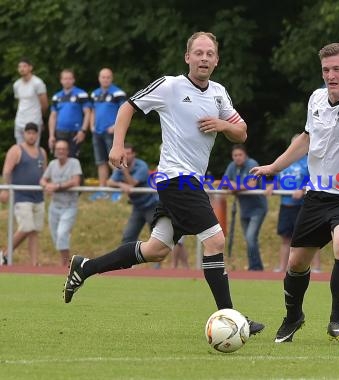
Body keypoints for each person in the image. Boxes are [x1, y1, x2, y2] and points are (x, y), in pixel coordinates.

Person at [62, 31, 264, 335]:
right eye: (198, 52)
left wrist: (224, 125)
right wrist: (117, 145)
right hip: (176, 179)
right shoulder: (170, 86)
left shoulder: (219, 93)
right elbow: (128, 106)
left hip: (191, 181)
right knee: (216, 241)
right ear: (188, 57)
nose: (204, 58)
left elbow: (242, 132)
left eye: (210, 53)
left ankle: (84, 267)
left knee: (155, 250)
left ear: (217, 60)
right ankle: (231, 316)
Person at [251, 42, 339, 342]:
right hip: (317, 195)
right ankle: (293, 317)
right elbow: (307, 139)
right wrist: (274, 167)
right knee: (296, 263)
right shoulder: (317, 98)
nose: (330, 75)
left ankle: (338, 320)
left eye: (336, 69)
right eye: (326, 70)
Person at [268, 136, 320, 273]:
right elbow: (278, 177)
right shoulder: (285, 162)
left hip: (303, 206)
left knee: (308, 238)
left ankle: (316, 267)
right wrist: (271, 186)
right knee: (285, 238)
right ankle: (282, 267)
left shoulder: (309, 162)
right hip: (286, 205)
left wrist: (302, 189)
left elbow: (316, 179)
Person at [0, 123, 47, 266]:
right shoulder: (16, 150)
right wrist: (5, 189)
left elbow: (45, 173)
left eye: (34, 133)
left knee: (34, 231)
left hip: (38, 197)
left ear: (37, 135)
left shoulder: (42, 152)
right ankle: (5, 254)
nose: (31, 135)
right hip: (21, 196)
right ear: (24, 134)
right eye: (29, 133)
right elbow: (7, 171)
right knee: (26, 227)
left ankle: (34, 263)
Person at [223, 144, 267, 271]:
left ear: (245, 155)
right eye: (235, 155)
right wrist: (238, 186)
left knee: (250, 237)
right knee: (249, 239)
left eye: (240, 155)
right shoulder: (232, 166)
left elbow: (252, 184)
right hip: (244, 209)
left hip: (258, 208)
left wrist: (234, 186)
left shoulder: (252, 164)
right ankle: (256, 266)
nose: (237, 158)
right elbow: (224, 183)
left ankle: (255, 267)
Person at [40, 140, 82, 266]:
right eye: (58, 149)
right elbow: (42, 180)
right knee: (56, 237)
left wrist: (57, 186)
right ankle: (66, 263)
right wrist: (47, 185)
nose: (61, 151)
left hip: (69, 206)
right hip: (55, 206)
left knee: (62, 233)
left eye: (63, 149)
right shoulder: (52, 164)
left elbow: (75, 181)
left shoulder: (74, 163)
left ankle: (65, 265)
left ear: (68, 151)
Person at [107, 143, 159, 244]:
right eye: (124, 153)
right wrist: (121, 184)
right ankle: (128, 259)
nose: (126, 156)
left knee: (156, 239)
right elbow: (109, 183)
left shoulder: (141, 166)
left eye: (129, 153)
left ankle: (157, 260)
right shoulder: (121, 166)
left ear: (134, 154)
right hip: (138, 207)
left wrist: (124, 171)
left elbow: (132, 183)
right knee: (128, 237)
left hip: (152, 205)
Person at [90, 68, 127, 200]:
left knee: (115, 160)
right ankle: (102, 189)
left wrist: (115, 127)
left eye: (108, 77)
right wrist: (91, 125)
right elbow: (93, 111)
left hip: (111, 132)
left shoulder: (118, 93)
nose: (105, 79)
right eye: (103, 77)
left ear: (111, 78)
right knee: (100, 162)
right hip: (97, 131)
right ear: (99, 78)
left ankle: (115, 189)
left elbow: (124, 111)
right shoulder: (95, 94)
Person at [48, 69, 91, 157]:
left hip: (75, 132)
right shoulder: (56, 97)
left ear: (73, 80)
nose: (67, 81)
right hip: (60, 132)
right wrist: (51, 135)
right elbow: (53, 116)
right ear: (61, 80)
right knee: (59, 158)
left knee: (72, 158)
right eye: (65, 79)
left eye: (69, 78)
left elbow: (88, 113)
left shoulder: (81, 94)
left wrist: (83, 131)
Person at [13, 58, 48, 145]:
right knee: (20, 149)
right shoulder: (16, 84)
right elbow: (19, 102)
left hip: (34, 120)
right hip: (19, 121)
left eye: (24, 66)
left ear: (30, 68)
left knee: (34, 149)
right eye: (19, 67)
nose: (22, 69)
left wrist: (41, 117)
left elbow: (44, 104)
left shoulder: (38, 83)